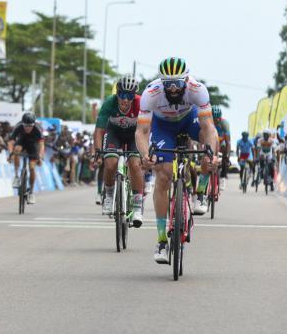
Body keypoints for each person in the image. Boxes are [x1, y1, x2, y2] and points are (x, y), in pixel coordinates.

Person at [136, 57, 219, 264]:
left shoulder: (197, 89)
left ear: (186, 80)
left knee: (209, 148)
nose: (173, 89)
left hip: (188, 120)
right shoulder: (151, 93)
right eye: (168, 84)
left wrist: (211, 155)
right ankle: (162, 240)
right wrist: (146, 156)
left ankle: (201, 190)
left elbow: (208, 127)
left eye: (177, 84)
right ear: (161, 82)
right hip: (163, 127)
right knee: (163, 175)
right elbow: (142, 131)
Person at [93, 76, 145, 227]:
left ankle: (137, 206)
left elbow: (147, 129)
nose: (126, 100)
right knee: (110, 164)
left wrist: (147, 150)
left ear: (134, 96)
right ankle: (108, 195)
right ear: (117, 93)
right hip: (114, 134)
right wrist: (97, 151)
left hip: (134, 136)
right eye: (122, 95)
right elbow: (99, 130)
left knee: (135, 165)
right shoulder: (110, 102)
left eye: (130, 96)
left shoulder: (141, 103)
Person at [8, 111, 44, 204]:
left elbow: (41, 145)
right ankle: (16, 176)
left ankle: (31, 192)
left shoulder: (38, 129)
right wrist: (10, 154)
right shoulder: (18, 127)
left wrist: (40, 157)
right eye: (26, 126)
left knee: (32, 167)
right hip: (22, 142)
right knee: (16, 150)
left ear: (34, 124)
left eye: (30, 126)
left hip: (33, 145)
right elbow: (11, 142)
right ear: (22, 124)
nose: (28, 128)